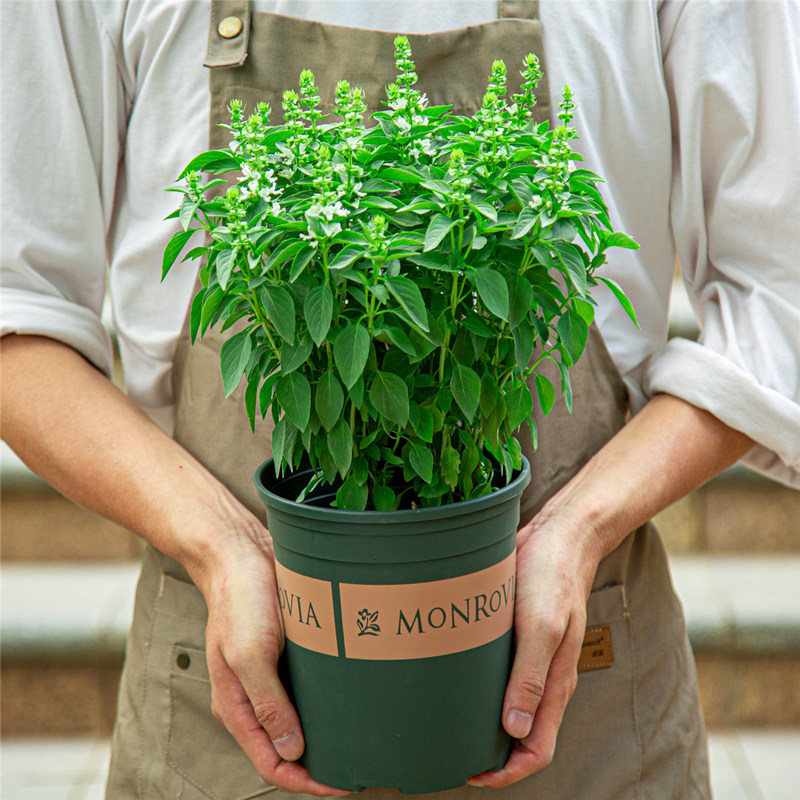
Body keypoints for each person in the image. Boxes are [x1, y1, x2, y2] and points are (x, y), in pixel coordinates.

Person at [2, 1, 798, 798]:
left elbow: (779, 299)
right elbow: (16, 316)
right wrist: (220, 545)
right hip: (228, 705)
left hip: (584, 703)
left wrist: (576, 528)